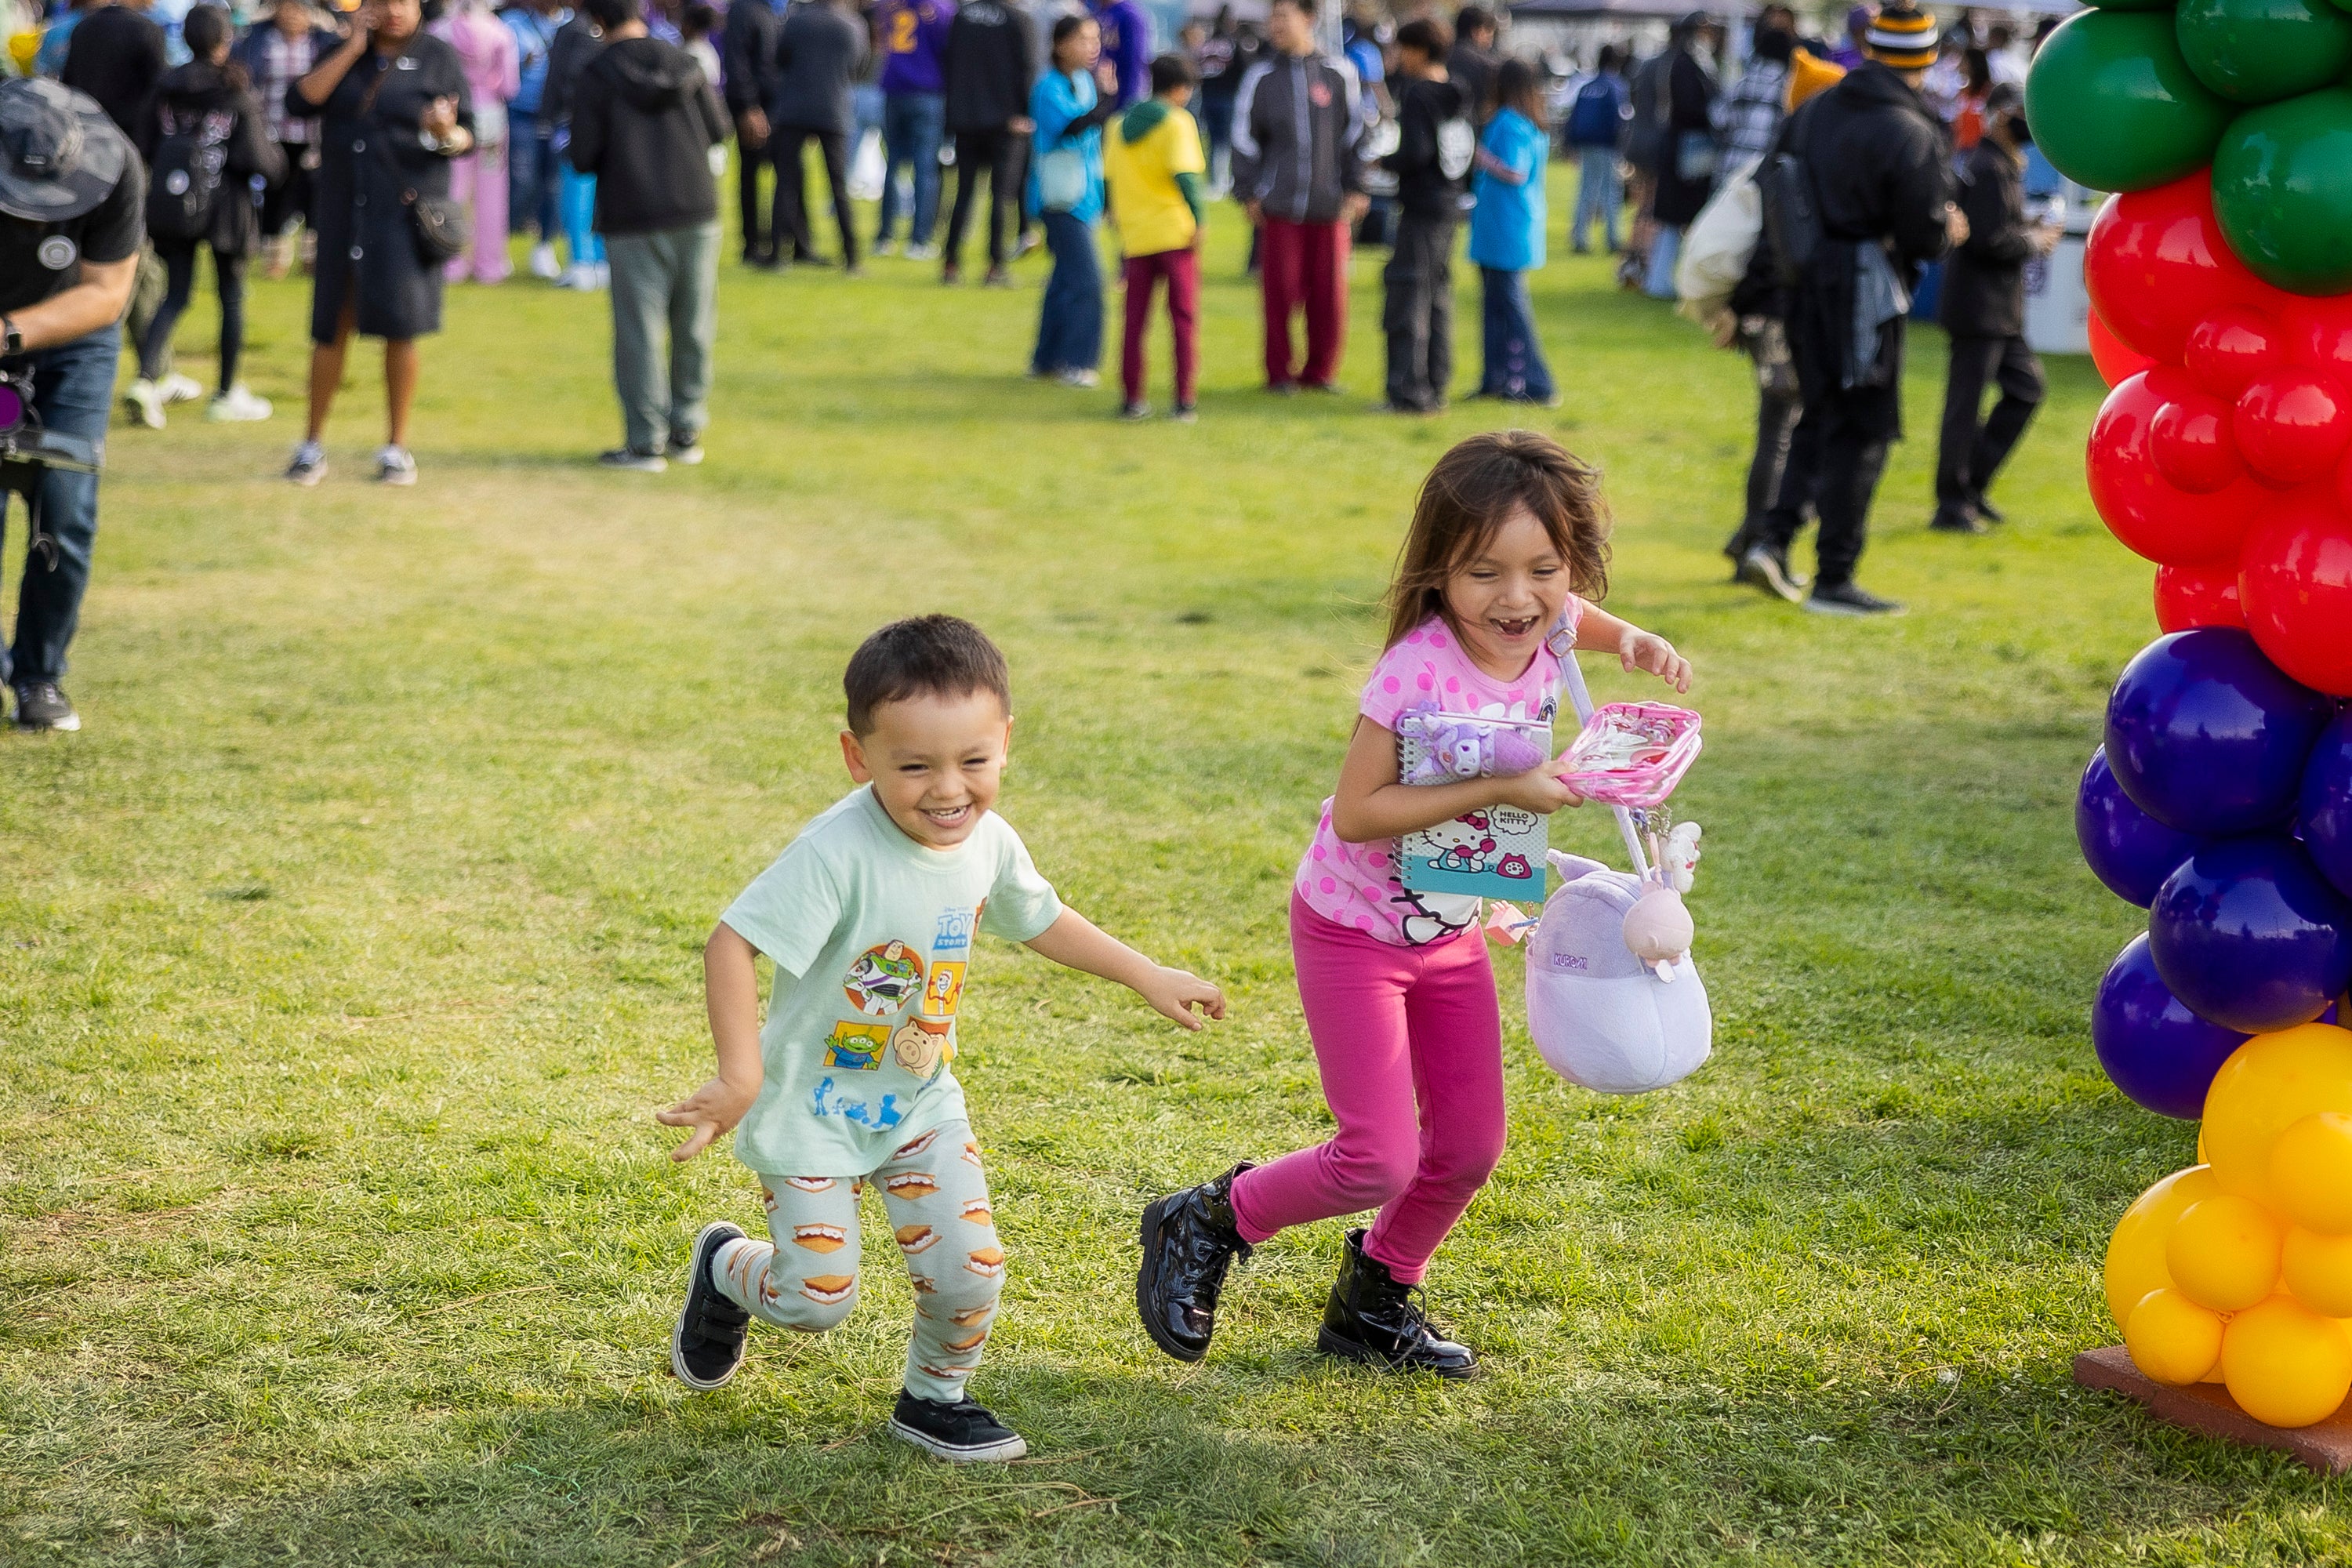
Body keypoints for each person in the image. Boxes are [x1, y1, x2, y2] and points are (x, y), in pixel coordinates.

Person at [1134, 431, 1693, 1377]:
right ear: (1440, 570)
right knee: (1379, 1156)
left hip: (1452, 928)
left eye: (1543, 569)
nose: (1518, 598)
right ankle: (1211, 1216)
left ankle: (1374, 1301)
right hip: (1353, 930)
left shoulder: (1548, 624)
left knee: (1469, 1145)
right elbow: (1360, 813)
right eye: (1485, 572)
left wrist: (1628, 637)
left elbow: (1570, 616)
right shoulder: (1416, 671)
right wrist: (1502, 787)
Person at [661, 614, 1224, 1462]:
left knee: (970, 1269)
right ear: (859, 757)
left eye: (973, 761)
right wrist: (741, 1076)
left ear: (1005, 743)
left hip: (920, 1100)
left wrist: (1145, 973)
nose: (948, 789)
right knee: (817, 1298)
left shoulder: (988, 842)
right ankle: (724, 1267)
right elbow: (731, 942)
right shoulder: (836, 852)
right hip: (811, 1107)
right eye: (915, 765)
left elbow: (1041, 918)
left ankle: (935, 1399)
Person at [1740, 2, 1958, 615]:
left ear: (1870, 48)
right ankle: (1834, 577)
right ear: (1927, 60)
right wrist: (1950, 229)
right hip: (1866, 292)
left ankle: (1773, 542)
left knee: (1816, 417)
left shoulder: (1814, 110)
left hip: (1803, 283)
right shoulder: (1910, 129)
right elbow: (1924, 233)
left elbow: (1772, 193)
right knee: (1863, 430)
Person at [0, 76, 143, 732]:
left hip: (72, 346)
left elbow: (107, 292)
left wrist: (9, 334)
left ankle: (39, 678)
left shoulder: (118, 167)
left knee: (64, 508)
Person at [281, 0, 474, 487]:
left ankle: (395, 447)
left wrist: (446, 133)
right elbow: (300, 101)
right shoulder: (341, 50)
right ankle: (311, 445)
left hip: (403, 211)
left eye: (403, 1)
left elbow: (467, 134)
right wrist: (351, 48)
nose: (393, 11)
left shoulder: (438, 56)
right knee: (331, 324)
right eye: (382, 1)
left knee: (401, 327)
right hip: (343, 207)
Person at [564, 0, 724, 470]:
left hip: (632, 209)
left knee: (640, 331)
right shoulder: (686, 61)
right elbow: (719, 130)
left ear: (598, 20)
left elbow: (582, 155)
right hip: (695, 206)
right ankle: (686, 428)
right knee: (694, 323)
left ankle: (645, 441)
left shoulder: (597, 72)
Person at [127, 3, 281, 426]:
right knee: (230, 297)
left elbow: (144, 143)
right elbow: (260, 159)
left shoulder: (165, 87)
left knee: (175, 294)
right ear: (225, 40)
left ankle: (145, 380)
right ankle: (226, 393)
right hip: (226, 207)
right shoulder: (234, 89)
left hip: (175, 203)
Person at [1933, 81, 2052, 535]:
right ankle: (1951, 503)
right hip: (1979, 308)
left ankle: (1971, 485)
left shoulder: (1999, 164)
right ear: (2002, 116)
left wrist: (2027, 226)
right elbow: (1988, 240)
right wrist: (2033, 240)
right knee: (1964, 408)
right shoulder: (1987, 167)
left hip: (1999, 311)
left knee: (2027, 389)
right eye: (2023, 112)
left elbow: (1997, 227)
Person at [1230, 0, 1363, 395]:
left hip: (1330, 206)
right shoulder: (1261, 77)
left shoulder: (1340, 73)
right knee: (1280, 293)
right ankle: (1279, 373)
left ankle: (1320, 372)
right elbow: (1243, 138)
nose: (1276, 25)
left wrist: (1356, 187)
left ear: (1308, 19)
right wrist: (1248, 191)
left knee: (1329, 296)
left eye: (1283, 17)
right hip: (1279, 207)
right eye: (1272, 17)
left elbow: (1356, 135)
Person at [61, 0, 186, 413]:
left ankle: (155, 369)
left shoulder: (83, 29)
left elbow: (68, 90)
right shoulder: (146, 32)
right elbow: (162, 97)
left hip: (83, 157)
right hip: (130, 159)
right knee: (132, 262)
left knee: (111, 259)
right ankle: (147, 372)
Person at [1105, 51, 1203, 420]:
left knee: (1134, 321)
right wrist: (1200, 221)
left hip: (1135, 234)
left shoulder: (1117, 125)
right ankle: (1184, 399)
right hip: (1174, 232)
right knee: (1183, 319)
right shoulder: (1178, 122)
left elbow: (1109, 178)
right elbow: (1186, 177)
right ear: (1179, 89)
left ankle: (1132, 398)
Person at [1377, 16, 1466, 415]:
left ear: (1418, 50)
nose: (1398, 56)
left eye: (1402, 48)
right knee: (1438, 298)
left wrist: (1384, 161)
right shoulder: (1458, 92)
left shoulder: (1418, 95)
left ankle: (1409, 391)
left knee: (1408, 296)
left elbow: (1416, 152)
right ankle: (1436, 382)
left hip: (1420, 207)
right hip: (1449, 203)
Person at [1025, 12, 1114, 386]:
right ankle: (1078, 362)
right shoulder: (1049, 87)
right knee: (1088, 282)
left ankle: (1046, 359)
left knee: (1064, 280)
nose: (1092, 47)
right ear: (1060, 45)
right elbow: (1070, 129)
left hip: (1085, 195)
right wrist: (1107, 101)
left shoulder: (1083, 82)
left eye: (1096, 39)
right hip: (1060, 199)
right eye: (1083, 39)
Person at [1467, 56, 1551, 405]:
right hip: (1512, 226)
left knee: (1511, 308)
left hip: (1504, 228)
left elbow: (1516, 171)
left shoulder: (1509, 123)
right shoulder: (1532, 123)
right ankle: (1496, 378)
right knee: (1496, 307)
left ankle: (1536, 382)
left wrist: (1481, 158)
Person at [237, 0, 339, 280]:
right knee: (276, 193)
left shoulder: (322, 41)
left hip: (312, 133)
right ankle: (275, 257)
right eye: (287, 8)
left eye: (299, 10)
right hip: (272, 131)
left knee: (313, 194)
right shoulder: (260, 38)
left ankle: (312, 256)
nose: (293, 16)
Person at [769, 0, 866, 272]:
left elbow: (780, 59)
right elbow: (858, 67)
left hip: (794, 109)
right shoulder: (853, 24)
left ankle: (777, 254)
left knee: (785, 182)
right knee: (838, 185)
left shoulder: (795, 22)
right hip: (834, 108)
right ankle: (852, 257)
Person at [938, 0, 1029, 286]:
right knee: (1001, 196)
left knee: (963, 193)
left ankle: (951, 263)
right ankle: (995, 267)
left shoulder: (962, 16)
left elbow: (949, 62)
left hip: (966, 118)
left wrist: (953, 112)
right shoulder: (1016, 18)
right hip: (1006, 121)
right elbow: (1025, 67)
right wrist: (1023, 112)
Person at [430, 0, 517, 282]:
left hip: (454, 115)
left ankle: (451, 260)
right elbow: (510, 86)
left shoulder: (442, 30)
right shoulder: (501, 31)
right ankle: (490, 264)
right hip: (491, 115)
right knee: (492, 193)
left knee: (453, 188)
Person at [1643, 11, 1719, 300]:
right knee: (1674, 217)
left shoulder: (1695, 62)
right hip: (1684, 150)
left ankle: (1662, 279)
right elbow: (1688, 107)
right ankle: (1660, 280)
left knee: (1677, 218)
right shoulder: (1685, 64)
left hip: (1686, 148)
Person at [870, 0, 950, 258]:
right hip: (927, 92)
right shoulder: (940, 8)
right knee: (925, 167)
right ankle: (919, 239)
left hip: (894, 89)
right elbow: (947, 50)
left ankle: (885, 236)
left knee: (893, 164)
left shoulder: (890, 5)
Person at [500, 0, 568, 279]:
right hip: (521, 113)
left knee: (553, 183)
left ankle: (544, 244)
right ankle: (503, 238)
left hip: (557, 116)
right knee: (522, 179)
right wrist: (520, 64)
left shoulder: (569, 23)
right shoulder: (513, 22)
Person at [543, 0, 605, 285]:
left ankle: (581, 261)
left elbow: (558, 77)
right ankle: (599, 261)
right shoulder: (605, 29)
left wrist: (548, 117)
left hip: (573, 123)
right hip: (603, 122)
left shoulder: (571, 30)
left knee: (576, 193)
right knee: (598, 192)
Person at [720, 0, 779, 263]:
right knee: (751, 172)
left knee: (788, 173)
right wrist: (748, 107)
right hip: (755, 104)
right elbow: (737, 62)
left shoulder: (770, 10)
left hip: (776, 105)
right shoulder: (744, 9)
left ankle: (793, 242)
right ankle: (752, 244)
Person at [1563, 41, 1622, 255]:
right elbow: (1620, 118)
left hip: (1585, 143)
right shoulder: (1615, 85)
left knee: (1586, 190)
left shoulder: (1587, 87)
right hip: (1607, 145)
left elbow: (1573, 117)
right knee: (1610, 191)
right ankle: (1612, 238)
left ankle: (1580, 237)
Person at [1721, 5, 1792, 172]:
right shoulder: (1787, 85)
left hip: (1732, 164)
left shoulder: (1742, 80)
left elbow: (1720, 119)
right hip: (1762, 168)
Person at [1192, 3, 1236, 191]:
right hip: (1226, 97)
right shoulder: (1231, 44)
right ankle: (1222, 180)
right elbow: (1241, 68)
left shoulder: (1206, 45)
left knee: (1212, 140)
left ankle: (1213, 181)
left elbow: (1196, 70)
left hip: (1208, 97)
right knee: (1225, 140)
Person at [1086, 0, 1145, 107]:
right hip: (1095, 95)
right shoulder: (1095, 10)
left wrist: (1127, 105)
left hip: (1119, 96)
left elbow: (1133, 64)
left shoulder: (1129, 15)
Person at [1445, 3, 1494, 124]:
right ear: (1477, 30)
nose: (1490, 38)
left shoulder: (1441, 56)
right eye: (1489, 31)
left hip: (1444, 124)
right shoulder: (1488, 64)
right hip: (1478, 125)